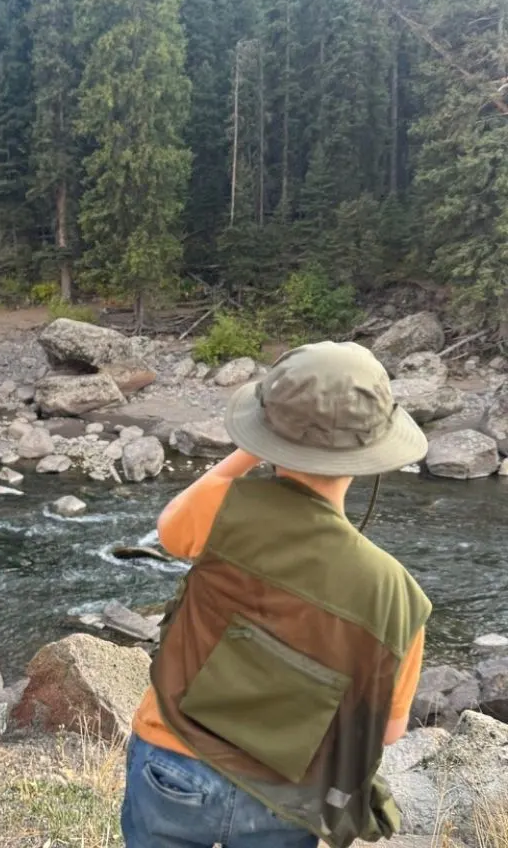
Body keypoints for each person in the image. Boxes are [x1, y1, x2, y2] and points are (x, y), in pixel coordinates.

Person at [123, 341, 431, 848]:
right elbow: (390, 731)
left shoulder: (224, 505)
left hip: (172, 756)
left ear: (267, 436)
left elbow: (169, 529)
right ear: (371, 455)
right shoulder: (395, 593)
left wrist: (259, 444)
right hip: (286, 793)